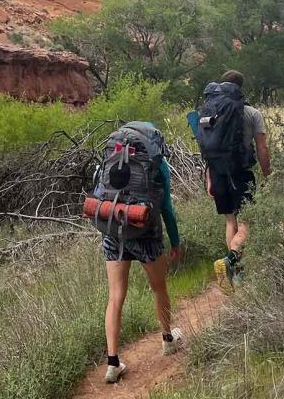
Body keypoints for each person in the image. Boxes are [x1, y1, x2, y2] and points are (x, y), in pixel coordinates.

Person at [100, 122, 184, 384]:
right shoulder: (155, 162)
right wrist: (175, 241)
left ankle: (113, 363)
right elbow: (167, 208)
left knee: (115, 297)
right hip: (146, 232)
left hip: (114, 231)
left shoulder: (111, 155)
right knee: (159, 288)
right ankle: (167, 339)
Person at [197, 70, 269, 293]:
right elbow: (261, 147)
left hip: (217, 173)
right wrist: (267, 173)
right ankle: (230, 259)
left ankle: (236, 275)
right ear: (240, 87)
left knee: (231, 222)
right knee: (247, 220)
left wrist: (209, 178)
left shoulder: (210, 111)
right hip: (241, 173)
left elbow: (207, 147)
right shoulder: (251, 113)